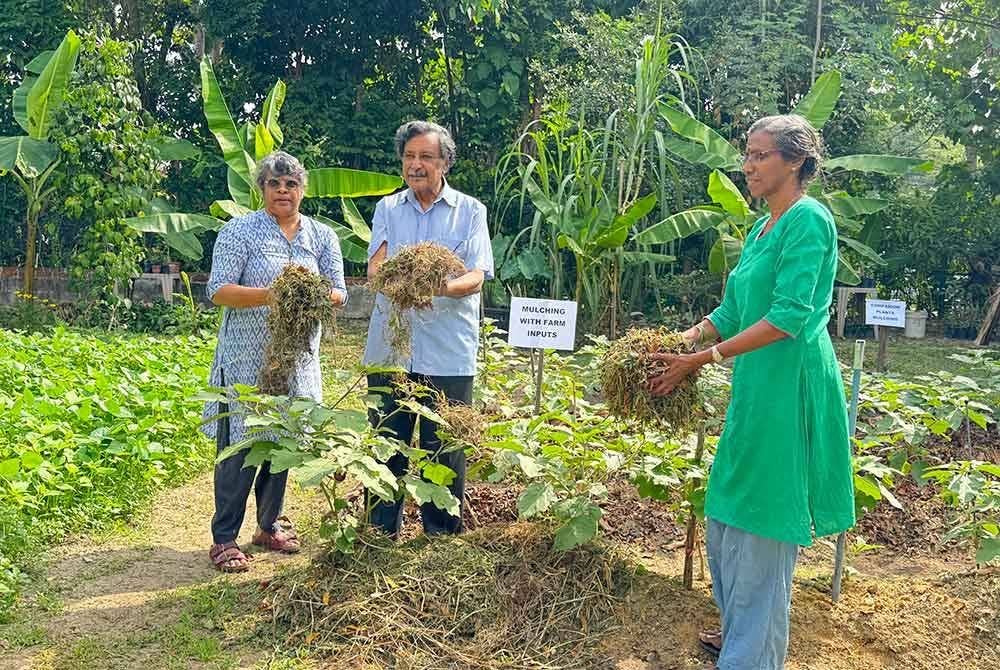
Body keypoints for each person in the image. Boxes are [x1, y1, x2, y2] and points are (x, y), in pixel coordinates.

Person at [647, 115, 854, 669]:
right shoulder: (763, 228)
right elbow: (736, 309)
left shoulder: (808, 221)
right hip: (756, 388)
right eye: (748, 154)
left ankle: (751, 656)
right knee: (727, 512)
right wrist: (685, 338)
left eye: (761, 156)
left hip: (790, 387)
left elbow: (787, 317)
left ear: (794, 163)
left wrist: (702, 359)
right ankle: (740, 630)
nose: (749, 165)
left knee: (763, 521)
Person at [203, 151, 348, 572]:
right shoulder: (240, 232)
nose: (282, 191)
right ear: (261, 189)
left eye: (290, 184)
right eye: (274, 184)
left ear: (302, 190)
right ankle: (225, 538)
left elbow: (339, 292)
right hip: (246, 360)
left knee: (280, 445)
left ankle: (269, 525)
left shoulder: (322, 237)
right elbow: (219, 290)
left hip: (296, 359)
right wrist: (275, 294)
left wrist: (317, 295)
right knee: (239, 447)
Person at [363, 120, 494, 536]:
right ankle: (379, 533)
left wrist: (436, 288)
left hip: (448, 350)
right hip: (392, 348)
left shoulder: (470, 211)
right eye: (409, 157)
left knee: (445, 446)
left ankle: (441, 535)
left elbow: (476, 275)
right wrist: (400, 288)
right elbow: (377, 267)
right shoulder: (387, 209)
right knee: (386, 443)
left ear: (445, 163)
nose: (415, 165)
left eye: (425, 157)